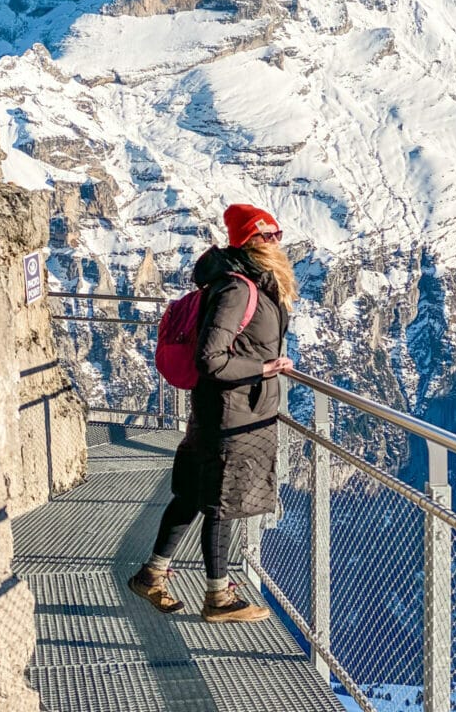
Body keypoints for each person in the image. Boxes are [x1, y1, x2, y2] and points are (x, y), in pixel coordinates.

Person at [128, 203, 298, 622]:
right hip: (233, 415)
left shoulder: (242, 282)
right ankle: (219, 598)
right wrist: (264, 368)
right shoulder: (238, 288)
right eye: (268, 235)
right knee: (220, 504)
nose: (277, 242)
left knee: (190, 495)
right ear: (251, 242)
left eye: (277, 233)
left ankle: (152, 575)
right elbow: (210, 359)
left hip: (220, 410)